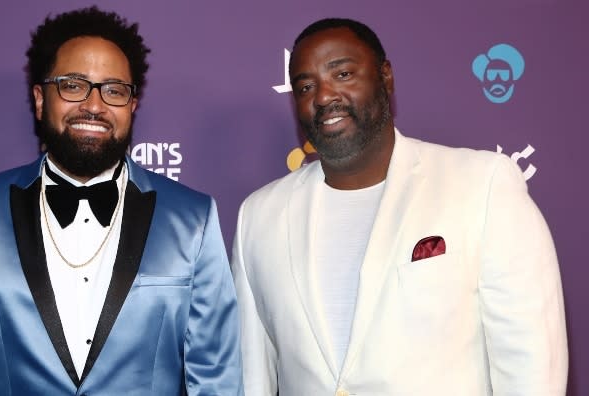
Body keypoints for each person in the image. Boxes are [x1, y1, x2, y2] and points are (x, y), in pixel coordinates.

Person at [0, 6, 242, 395]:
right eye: (73, 85)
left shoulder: (193, 219)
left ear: (132, 106)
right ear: (40, 99)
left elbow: (216, 380)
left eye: (114, 90)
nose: (94, 105)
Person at [232, 17, 567, 396]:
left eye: (342, 73)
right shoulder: (258, 217)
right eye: (306, 86)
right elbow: (251, 378)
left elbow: (530, 365)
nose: (324, 96)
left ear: (385, 77)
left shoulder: (482, 185)